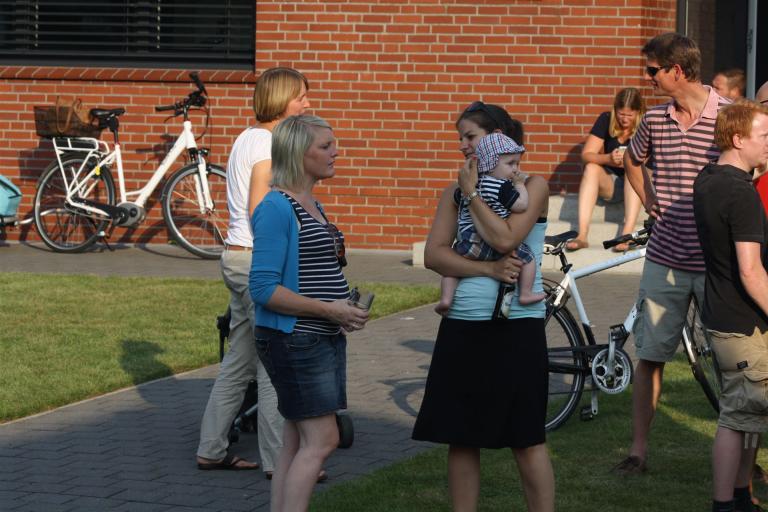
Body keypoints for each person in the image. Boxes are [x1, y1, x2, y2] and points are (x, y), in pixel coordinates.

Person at [413, 101, 554, 512]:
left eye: (470, 136)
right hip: (463, 323)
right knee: (461, 436)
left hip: (516, 325)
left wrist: (474, 194)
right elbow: (434, 255)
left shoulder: (532, 186)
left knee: (526, 437)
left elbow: (507, 238)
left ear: (496, 139)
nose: (462, 145)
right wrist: (488, 269)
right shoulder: (453, 192)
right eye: (460, 137)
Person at [613, 32, 730, 475]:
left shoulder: (727, 117)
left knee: (730, 361)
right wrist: (648, 198)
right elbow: (633, 160)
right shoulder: (655, 120)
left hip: (717, 262)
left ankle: (741, 459)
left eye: (653, 70)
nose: (648, 78)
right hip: (664, 258)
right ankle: (637, 452)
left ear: (676, 71)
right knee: (651, 356)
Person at [249, 115, 370, 512]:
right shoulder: (276, 207)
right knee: (323, 440)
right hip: (297, 339)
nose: (336, 152)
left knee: (296, 440)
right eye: (325, 146)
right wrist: (329, 310)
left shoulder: (311, 204)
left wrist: (342, 309)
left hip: (316, 336)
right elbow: (263, 289)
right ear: (299, 153)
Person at [195, 67, 310, 474]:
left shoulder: (247, 136)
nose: (308, 103)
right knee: (273, 362)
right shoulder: (266, 143)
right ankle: (280, 462)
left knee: (239, 361)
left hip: (236, 257)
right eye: (300, 97)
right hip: (255, 262)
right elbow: (260, 208)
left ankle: (211, 448)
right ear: (281, 100)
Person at [693, 99, 768, 512]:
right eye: (764, 136)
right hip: (741, 322)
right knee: (736, 416)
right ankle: (724, 504)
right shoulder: (740, 193)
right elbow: (751, 271)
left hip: (723, 313)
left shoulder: (708, 177)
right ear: (738, 139)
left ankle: (741, 495)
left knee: (750, 412)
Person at [436, 132, 545, 315]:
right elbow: (521, 205)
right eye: (510, 164)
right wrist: (519, 185)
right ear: (490, 163)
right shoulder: (502, 186)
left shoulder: (469, 185)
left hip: (469, 243)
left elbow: (457, 198)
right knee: (528, 257)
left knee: (453, 269)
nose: (515, 169)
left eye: (517, 163)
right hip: (491, 244)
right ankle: (526, 293)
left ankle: (446, 298)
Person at [566, 87, 645, 252]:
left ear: (638, 112)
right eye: (621, 114)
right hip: (612, 184)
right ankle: (582, 235)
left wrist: (630, 161)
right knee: (591, 168)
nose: (624, 119)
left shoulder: (647, 123)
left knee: (633, 168)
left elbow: (653, 163)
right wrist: (608, 158)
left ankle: (627, 234)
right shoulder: (606, 119)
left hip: (638, 187)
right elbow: (586, 155)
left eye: (629, 115)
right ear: (615, 110)